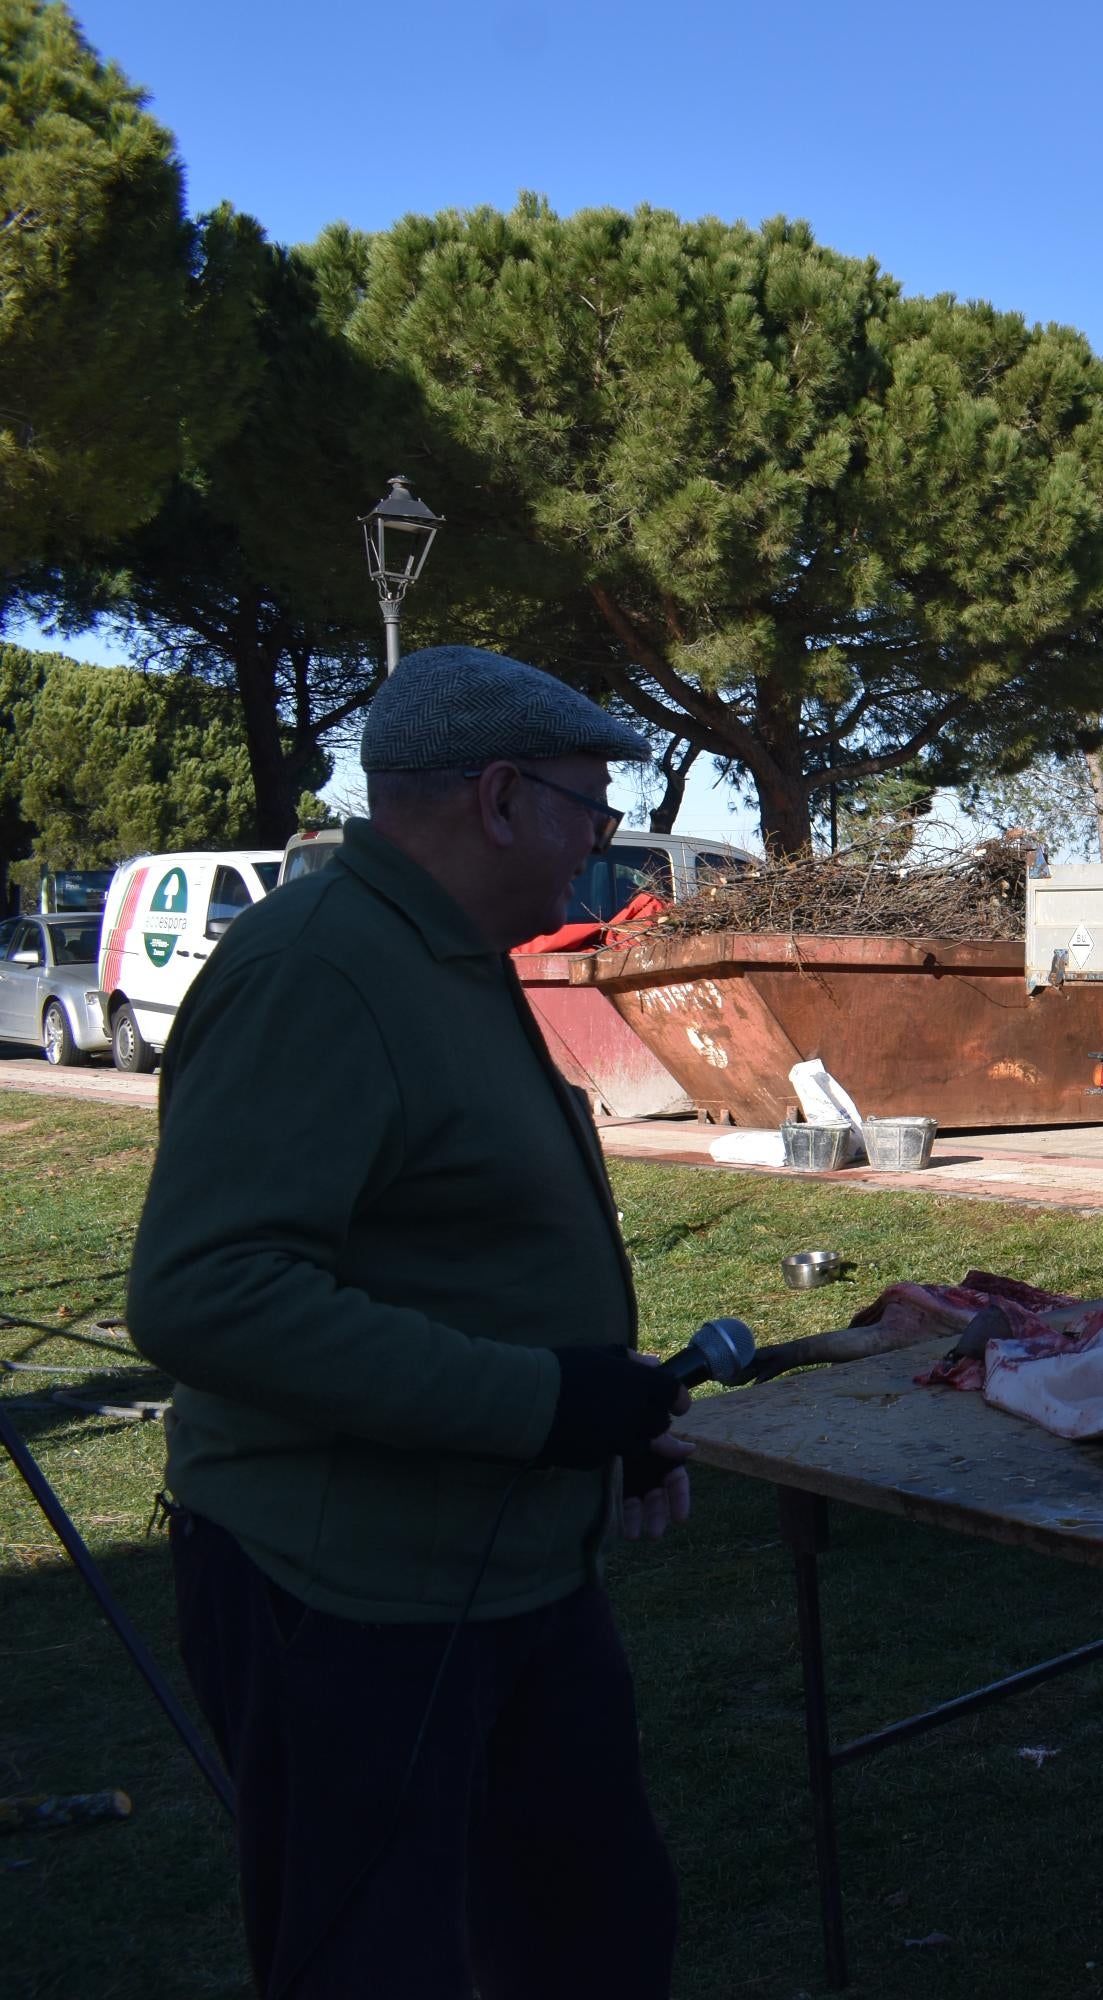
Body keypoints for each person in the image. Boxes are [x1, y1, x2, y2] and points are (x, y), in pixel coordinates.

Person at [129, 646, 693, 1998]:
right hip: (347, 1599)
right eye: (588, 809)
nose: (600, 851)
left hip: (513, 1573)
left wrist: (599, 1411)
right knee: (381, 1963)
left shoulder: (448, 955)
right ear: (499, 797)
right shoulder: (319, 970)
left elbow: (463, 1247)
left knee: (594, 1936)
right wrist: (548, 1405)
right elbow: (208, 1295)